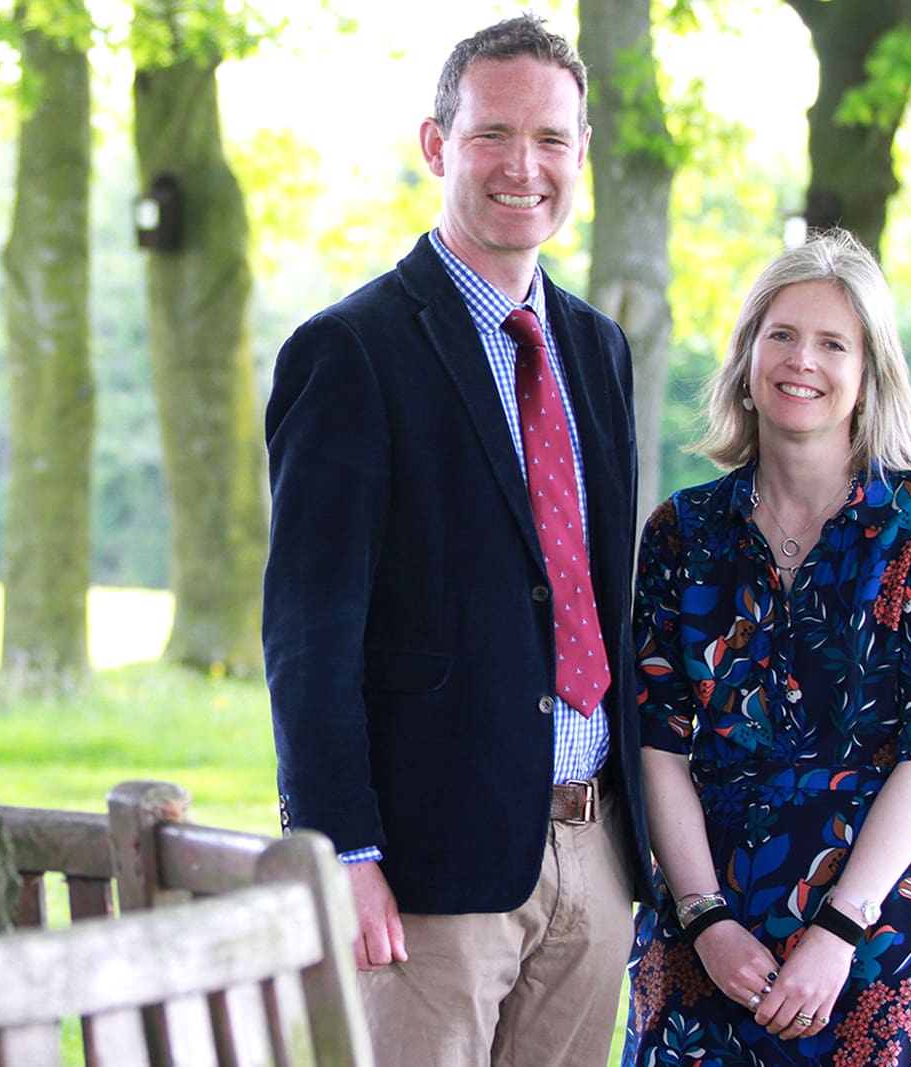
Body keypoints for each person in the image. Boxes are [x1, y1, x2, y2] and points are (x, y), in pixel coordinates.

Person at [262, 15, 653, 1067]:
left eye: (551, 139)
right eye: (492, 135)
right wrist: (342, 849)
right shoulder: (349, 353)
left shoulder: (596, 348)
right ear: (437, 146)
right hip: (429, 868)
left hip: (593, 845)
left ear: (579, 154)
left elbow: (591, 590)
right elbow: (309, 630)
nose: (523, 166)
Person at [621, 228, 911, 1066]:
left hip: (878, 934)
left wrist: (839, 926)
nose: (802, 361)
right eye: (781, 334)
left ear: (868, 372)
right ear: (748, 355)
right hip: (706, 935)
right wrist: (705, 917)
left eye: (833, 343)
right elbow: (657, 744)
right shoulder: (682, 531)